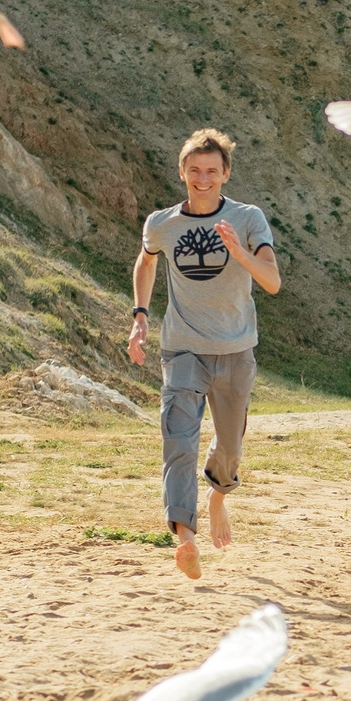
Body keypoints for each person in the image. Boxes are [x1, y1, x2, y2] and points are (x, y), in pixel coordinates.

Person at [126, 129, 280, 580]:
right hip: (183, 348)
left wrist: (238, 252)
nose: (203, 178)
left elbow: (272, 281)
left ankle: (217, 496)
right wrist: (140, 315)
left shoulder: (249, 219)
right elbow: (146, 259)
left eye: (212, 171)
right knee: (178, 440)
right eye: (194, 170)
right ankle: (185, 539)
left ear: (225, 174)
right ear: (182, 173)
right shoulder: (162, 223)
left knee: (229, 448)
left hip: (235, 349)